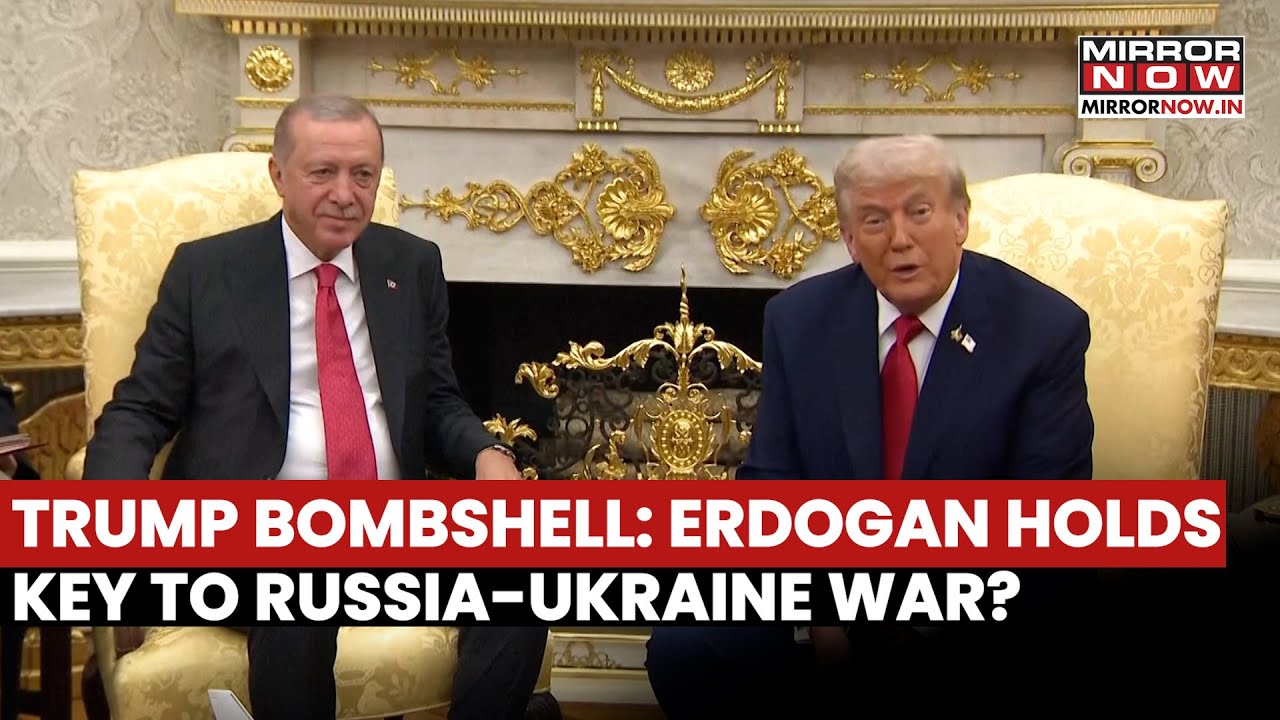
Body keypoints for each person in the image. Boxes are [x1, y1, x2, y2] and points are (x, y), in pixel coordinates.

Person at [82, 94, 547, 720]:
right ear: (279, 175)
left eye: (363, 174)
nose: (345, 194)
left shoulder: (411, 264)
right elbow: (139, 411)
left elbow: (436, 398)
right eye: (323, 172)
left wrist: (487, 453)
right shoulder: (207, 271)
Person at [645, 134, 1097, 712]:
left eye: (920, 212)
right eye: (875, 220)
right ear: (851, 239)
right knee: (690, 646)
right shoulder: (799, 320)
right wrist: (825, 614)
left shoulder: (1041, 329)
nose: (900, 239)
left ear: (960, 220)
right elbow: (772, 490)